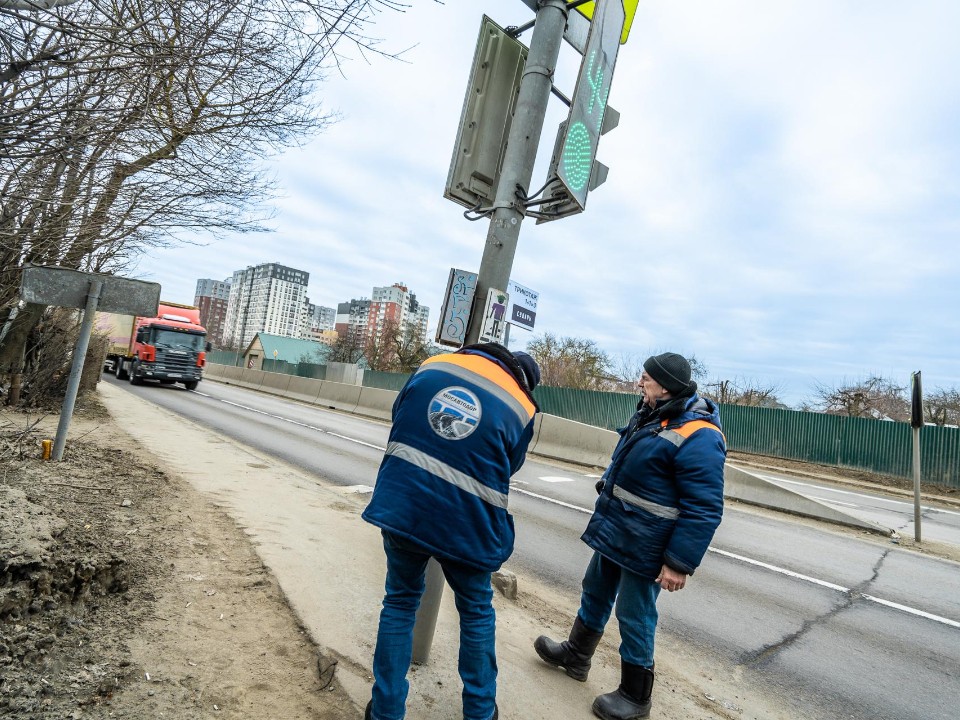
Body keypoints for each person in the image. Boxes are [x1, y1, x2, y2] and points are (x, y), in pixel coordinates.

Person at [533, 352, 726, 720]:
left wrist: (678, 563)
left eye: (646, 378)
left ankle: (636, 698)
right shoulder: (651, 414)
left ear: (666, 387)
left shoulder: (700, 434)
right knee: (595, 590)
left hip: (648, 543)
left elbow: (704, 507)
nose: (640, 383)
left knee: (634, 614)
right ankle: (576, 656)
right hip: (617, 528)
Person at [362, 342, 541, 720]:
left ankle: (386, 710)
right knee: (475, 611)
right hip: (467, 524)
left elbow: (400, 415)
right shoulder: (521, 406)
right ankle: (480, 711)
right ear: (524, 381)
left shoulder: (433, 366)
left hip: (404, 504)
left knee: (400, 601)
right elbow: (510, 465)